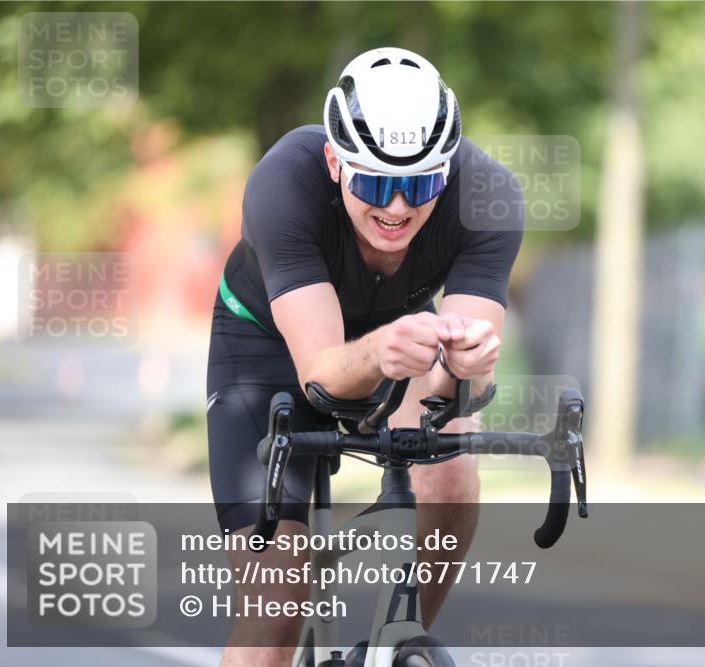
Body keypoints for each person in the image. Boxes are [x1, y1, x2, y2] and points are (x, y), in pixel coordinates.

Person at [206, 47, 524, 666]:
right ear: (335, 160)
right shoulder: (284, 181)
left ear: (448, 169)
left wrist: (467, 365)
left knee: (453, 469)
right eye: (377, 182)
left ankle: (395, 645)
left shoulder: (488, 195)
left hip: (400, 337)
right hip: (268, 348)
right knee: (275, 606)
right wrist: (381, 350)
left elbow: (450, 387)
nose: (399, 207)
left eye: (422, 183)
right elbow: (324, 378)